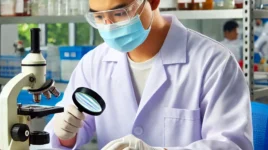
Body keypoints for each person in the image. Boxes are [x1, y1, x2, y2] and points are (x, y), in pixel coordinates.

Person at [45, 0, 253, 149]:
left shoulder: (214, 62)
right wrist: (65, 136)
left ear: (153, 2)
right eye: (99, 17)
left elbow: (232, 145)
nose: (109, 26)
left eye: (119, 13)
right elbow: (68, 131)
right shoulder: (93, 63)